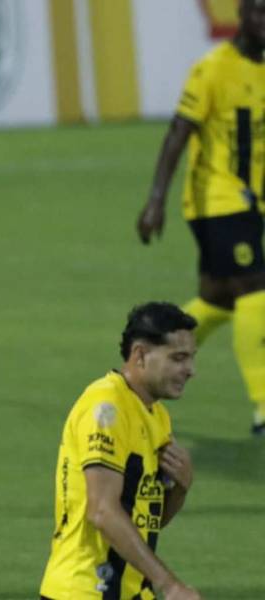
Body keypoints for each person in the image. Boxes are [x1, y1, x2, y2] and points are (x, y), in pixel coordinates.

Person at [137, 0, 265, 436]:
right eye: (260, 12)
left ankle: (146, 361)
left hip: (251, 203)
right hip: (217, 201)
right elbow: (179, 131)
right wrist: (156, 200)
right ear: (242, 15)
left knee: (218, 300)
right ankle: (263, 405)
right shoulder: (213, 68)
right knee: (255, 288)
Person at [39, 302, 201, 600]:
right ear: (140, 355)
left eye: (191, 358)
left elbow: (147, 520)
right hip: (86, 590)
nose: (190, 370)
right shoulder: (106, 409)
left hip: (133, 591)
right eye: (178, 358)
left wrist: (181, 487)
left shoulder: (157, 415)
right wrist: (170, 584)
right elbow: (102, 510)